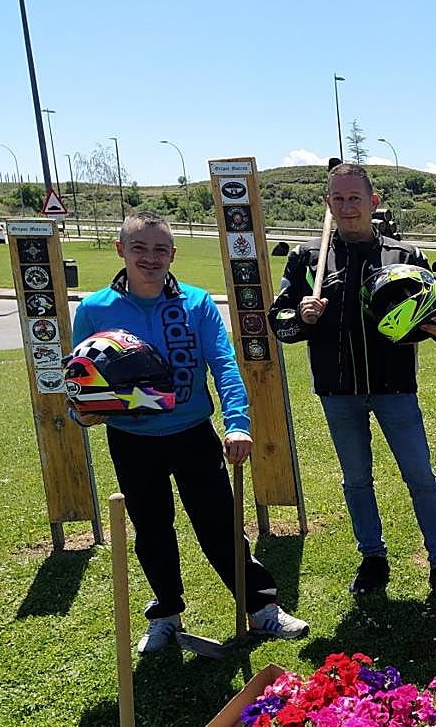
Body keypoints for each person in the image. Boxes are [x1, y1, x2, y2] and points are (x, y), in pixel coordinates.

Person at [71, 211, 309, 653]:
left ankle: (260, 608)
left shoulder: (197, 303)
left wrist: (236, 425)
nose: (150, 258)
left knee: (219, 524)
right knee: (152, 529)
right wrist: (81, 414)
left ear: (173, 255)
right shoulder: (93, 309)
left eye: (160, 249)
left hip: (193, 433)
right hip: (131, 439)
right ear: (120, 250)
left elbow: (224, 367)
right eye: (139, 248)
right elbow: (81, 378)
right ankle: (166, 613)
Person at [267, 163, 436, 601]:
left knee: (420, 476)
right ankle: (373, 559)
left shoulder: (406, 258)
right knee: (356, 480)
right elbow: (278, 321)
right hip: (338, 393)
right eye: (338, 199)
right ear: (328, 204)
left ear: (373, 203)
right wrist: (302, 319)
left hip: (394, 389)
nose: (346, 207)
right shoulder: (308, 260)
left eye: (354, 198)